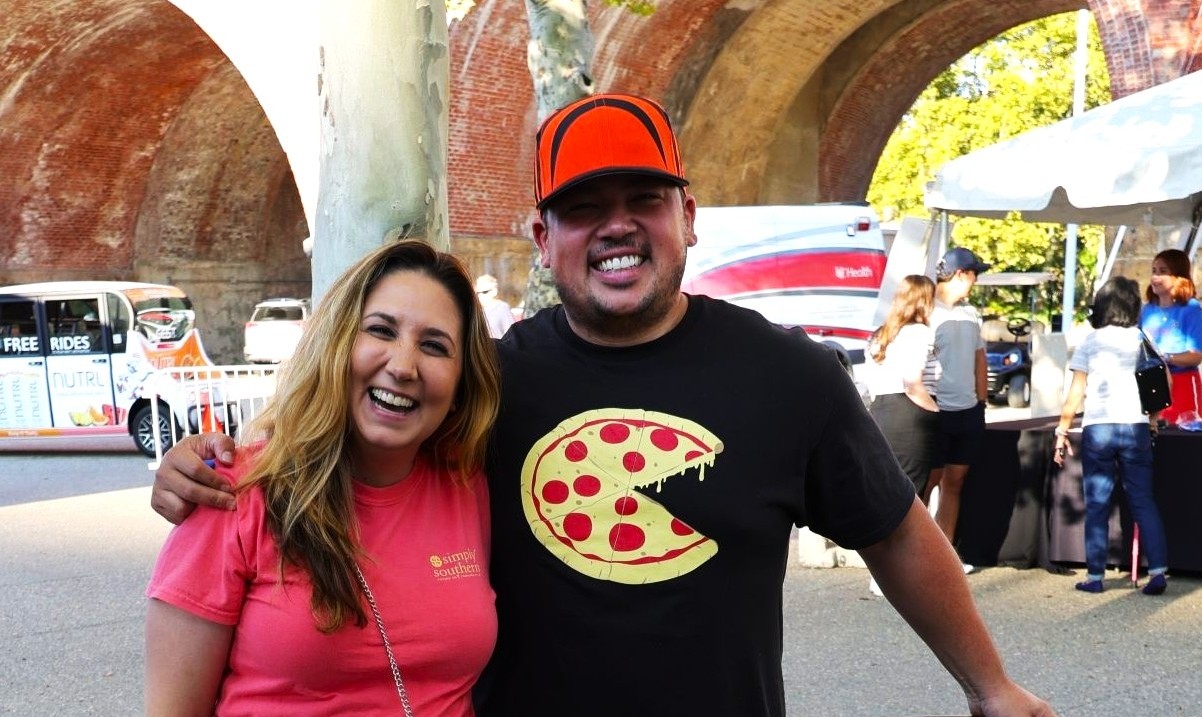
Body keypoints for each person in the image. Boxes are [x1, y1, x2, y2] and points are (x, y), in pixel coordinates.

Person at [149, 93, 1056, 717]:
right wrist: (216, 464)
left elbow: (894, 529)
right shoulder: (484, 387)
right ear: (543, 239)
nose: (616, 225)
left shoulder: (789, 375)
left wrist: (988, 684)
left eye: (644, 200)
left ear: (688, 217)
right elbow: (360, 431)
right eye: (584, 208)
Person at [144, 241, 501, 715]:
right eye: (380, 330)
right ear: (335, 343)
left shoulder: (466, 485)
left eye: (434, 346)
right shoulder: (232, 492)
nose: (402, 366)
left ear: (460, 386)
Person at [1053, 277, 1168, 595]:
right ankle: (1157, 571)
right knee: (1143, 500)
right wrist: (1154, 419)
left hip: (1099, 427)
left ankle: (1095, 575)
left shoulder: (1091, 341)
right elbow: (1161, 379)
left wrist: (1062, 428)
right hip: (1135, 425)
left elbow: (1076, 391)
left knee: (1098, 503)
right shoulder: (1140, 337)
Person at [925, 247, 990, 567]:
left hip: (968, 409)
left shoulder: (971, 313)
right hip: (935, 408)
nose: (976, 281)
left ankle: (944, 558)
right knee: (927, 482)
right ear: (961, 274)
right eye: (974, 274)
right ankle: (913, 556)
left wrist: (981, 401)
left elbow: (980, 358)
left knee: (955, 482)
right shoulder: (925, 310)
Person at [866, 274, 940, 497]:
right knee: (910, 495)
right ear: (924, 300)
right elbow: (912, 384)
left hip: (880, 413)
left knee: (883, 491)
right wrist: (936, 413)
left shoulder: (880, 334)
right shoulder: (917, 332)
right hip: (910, 417)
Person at [1139, 248, 1202, 425]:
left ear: (1178, 276)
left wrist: (1164, 358)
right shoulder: (1147, 309)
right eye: (1153, 271)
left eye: (1162, 271)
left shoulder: (1191, 309)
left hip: (1182, 385)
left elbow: (1196, 355)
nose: (1155, 277)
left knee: (1182, 443)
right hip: (1150, 385)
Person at [474, 273, 515, 338]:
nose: (480, 296)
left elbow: (512, 335)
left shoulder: (502, 308)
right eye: (477, 293)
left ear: (494, 291)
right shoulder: (477, 312)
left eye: (484, 292)